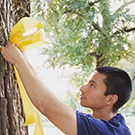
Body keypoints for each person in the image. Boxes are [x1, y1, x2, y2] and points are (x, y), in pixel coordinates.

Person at [1, 42, 132, 135]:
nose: (82, 88)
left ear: (111, 99)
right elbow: (52, 102)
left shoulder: (106, 132)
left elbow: (46, 105)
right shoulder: (110, 124)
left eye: (92, 85)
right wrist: (24, 60)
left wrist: (18, 62)